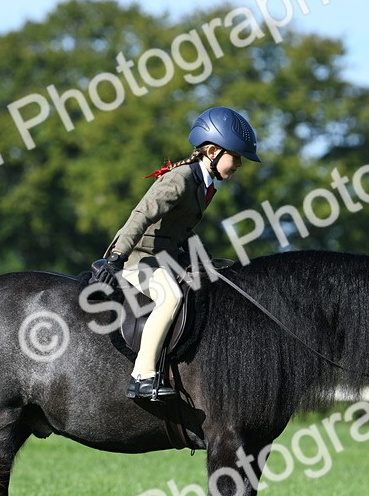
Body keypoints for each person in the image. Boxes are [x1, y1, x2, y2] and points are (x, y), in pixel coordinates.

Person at [99, 106, 260, 400]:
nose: (238, 164)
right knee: (169, 297)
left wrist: (205, 260)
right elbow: (142, 215)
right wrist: (117, 254)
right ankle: (142, 376)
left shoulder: (205, 184)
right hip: (138, 257)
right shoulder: (181, 178)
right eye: (235, 157)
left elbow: (181, 230)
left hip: (166, 256)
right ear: (212, 151)